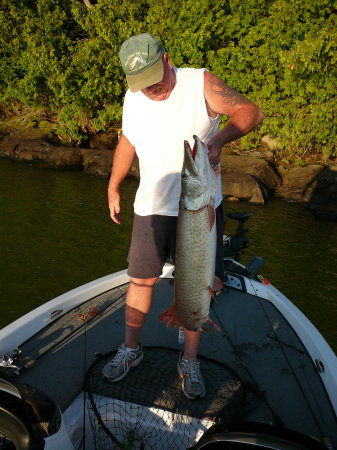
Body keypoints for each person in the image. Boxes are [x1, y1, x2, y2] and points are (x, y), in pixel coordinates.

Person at [102, 33, 263, 399]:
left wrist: (219, 142)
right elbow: (128, 140)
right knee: (140, 281)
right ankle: (131, 349)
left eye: (155, 79)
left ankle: (189, 360)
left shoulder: (200, 83)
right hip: (151, 206)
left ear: (168, 60)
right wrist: (113, 186)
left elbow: (250, 111)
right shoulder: (134, 96)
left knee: (196, 286)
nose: (151, 90)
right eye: (142, 85)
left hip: (199, 207)